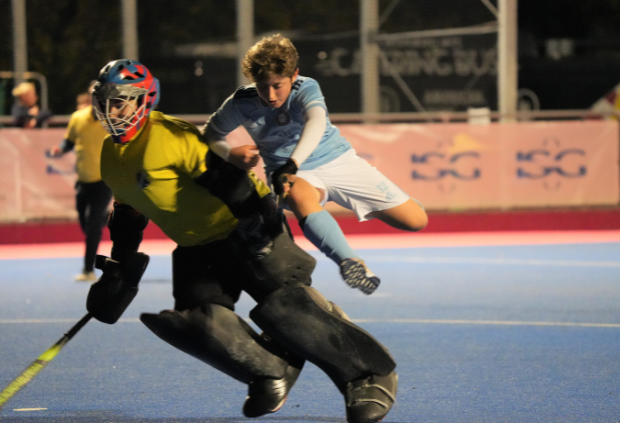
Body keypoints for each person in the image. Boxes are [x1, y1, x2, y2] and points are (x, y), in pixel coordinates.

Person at [88, 59, 398, 423]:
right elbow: (128, 213)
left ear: (145, 100)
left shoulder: (169, 136)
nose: (111, 110)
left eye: (119, 102)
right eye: (105, 102)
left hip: (243, 224)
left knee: (284, 309)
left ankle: (369, 374)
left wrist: (259, 230)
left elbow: (228, 180)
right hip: (196, 246)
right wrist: (120, 265)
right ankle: (271, 370)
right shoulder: (110, 155)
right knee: (196, 325)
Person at [203, 34, 428, 296]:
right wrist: (229, 153)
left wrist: (293, 162)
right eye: (262, 86)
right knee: (298, 194)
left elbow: (316, 121)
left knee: (416, 220)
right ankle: (350, 262)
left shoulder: (306, 87)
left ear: (294, 75)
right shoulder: (240, 103)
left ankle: (404, 204)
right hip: (290, 174)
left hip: (338, 162)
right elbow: (211, 133)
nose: (270, 95)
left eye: (277, 86)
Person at [47, 81, 112, 281]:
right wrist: (60, 149)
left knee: (92, 226)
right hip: (83, 180)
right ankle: (106, 218)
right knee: (85, 223)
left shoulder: (113, 120)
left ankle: (88, 270)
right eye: (95, 95)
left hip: (104, 181)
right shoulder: (78, 117)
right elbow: (69, 141)